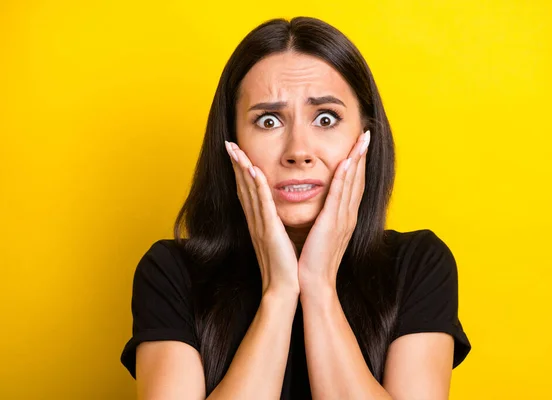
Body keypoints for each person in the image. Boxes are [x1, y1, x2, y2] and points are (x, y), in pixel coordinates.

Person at [120, 16, 471, 400]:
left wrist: (319, 287)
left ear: (366, 137)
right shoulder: (172, 272)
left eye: (325, 118)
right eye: (268, 121)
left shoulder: (418, 265)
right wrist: (280, 292)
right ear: (231, 141)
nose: (298, 151)